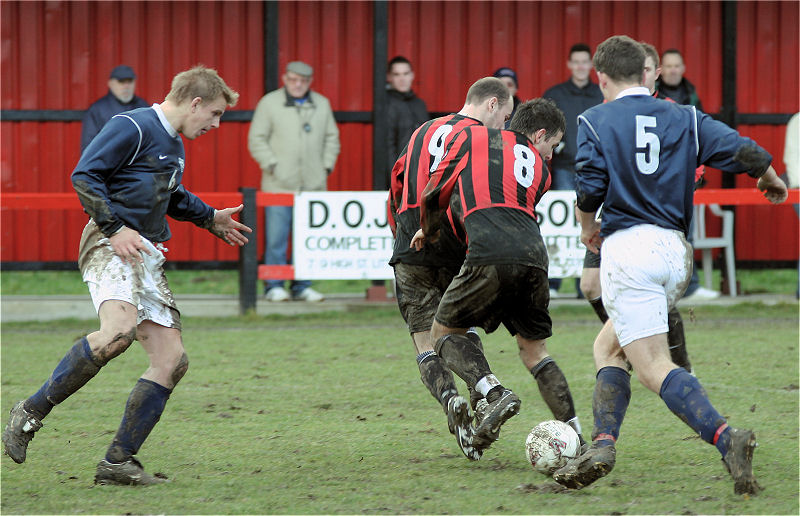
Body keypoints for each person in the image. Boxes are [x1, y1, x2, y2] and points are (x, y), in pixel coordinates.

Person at [551, 35, 788, 495]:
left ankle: (726, 437)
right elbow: (740, 149)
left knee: (652, 366)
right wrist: (769, 176)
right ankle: (602, 444)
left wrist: (585, 228)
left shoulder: (595, 120)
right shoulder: (685, 116)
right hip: (675, 253)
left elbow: (589, 188)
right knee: (608, 348)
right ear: (646, 73)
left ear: (602, 79)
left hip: (630, 251)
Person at [2, 66, 251, 486]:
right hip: (108, 240)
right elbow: (84, 175)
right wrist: (115, 228)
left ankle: (118, 463)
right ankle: (30, 411)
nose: (216, 123)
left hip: (145, 252)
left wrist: (211, 217)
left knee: (172, 361)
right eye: (215, 113)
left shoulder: (173, 143)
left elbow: (168, 194)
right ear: (194, 103)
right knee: (117, 332)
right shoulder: (132, 125)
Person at [412, 98, 586, 455]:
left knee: (442, 332)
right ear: (539, 136)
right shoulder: (542, 170)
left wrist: (428, 230)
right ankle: (578, 440)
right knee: (535, 352)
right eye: (553, 145)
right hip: (535, 257)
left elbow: (433, 192)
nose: (551, 155)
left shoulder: (476, 139)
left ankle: (493, 390)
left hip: (489, 252)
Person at [388, 77, 516, 460]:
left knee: (424, 343)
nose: (505, 127)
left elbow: (396, 185)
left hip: (410, 239)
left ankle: (450, 400)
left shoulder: (421, 131)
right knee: (457, 329)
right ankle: (489, 390)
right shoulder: (482, 139)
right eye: (505, 117)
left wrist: (404, 235)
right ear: (492, 104)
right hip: (454, 237)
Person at [579, 41, 693, 373]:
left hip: (653, 218)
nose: (640, 75)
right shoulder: (609, 109)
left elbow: (693, 161)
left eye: (646, 69)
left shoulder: (671, 112)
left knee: (651, 292)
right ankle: (633, 343)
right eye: (637, 69)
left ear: (654, 72)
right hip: (612, 214)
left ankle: (676, 362)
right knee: (589, 285)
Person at [248, 61, 340, 303]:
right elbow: (257, 139)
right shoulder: (270, 103)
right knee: (276, 238)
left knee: (306, 239)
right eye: (293, 80)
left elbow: (332, 138)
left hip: (312, 186)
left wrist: (325, 166)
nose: (297, 85)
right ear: (284, 79)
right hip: (278, 185)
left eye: (302, 81)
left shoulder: (321, 104)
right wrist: (272, 165)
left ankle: (303, 286)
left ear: (309, 82)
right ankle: (274, 286)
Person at [655, 49, 718, 300]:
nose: (672, 70)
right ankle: (660, 284)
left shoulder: (691, 95)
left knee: (685, 233)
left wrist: (698, 170)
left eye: (676, 65)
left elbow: (700, 134)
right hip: (657, 175)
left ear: (682, 68)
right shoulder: (653, 95)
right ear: (660, 70)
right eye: (667, 66)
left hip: (685, 175)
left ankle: (689, 287)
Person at [543, 43, 603, 298]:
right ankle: (554, 283)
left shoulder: (600, 94)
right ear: (569, 64)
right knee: (562, 225)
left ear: (591, 65)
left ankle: (585, 285)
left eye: (584, 62)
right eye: (575, 62)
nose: (580, 66)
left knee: (590, 224)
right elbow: (543, 126)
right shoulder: (555, 94)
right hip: (565, 167)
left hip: (594, 170)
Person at [382, 56, 429, 189]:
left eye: (405, 73)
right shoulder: (386, 105)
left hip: (421, 176)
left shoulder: (420, 105)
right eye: (397, 74)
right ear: (389, 77)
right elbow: (387, 146)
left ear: (412, 75)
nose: (402, 79)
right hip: (398, 177)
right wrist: (395, 178)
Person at [81, 65, 149, 153]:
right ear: (110, 83)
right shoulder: (97, 110)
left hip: (139, 165)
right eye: (121, 82)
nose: (126, 86)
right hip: (109, 165)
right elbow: (88, 148)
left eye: (130, 81)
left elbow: (153, 140)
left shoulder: (143, 107)